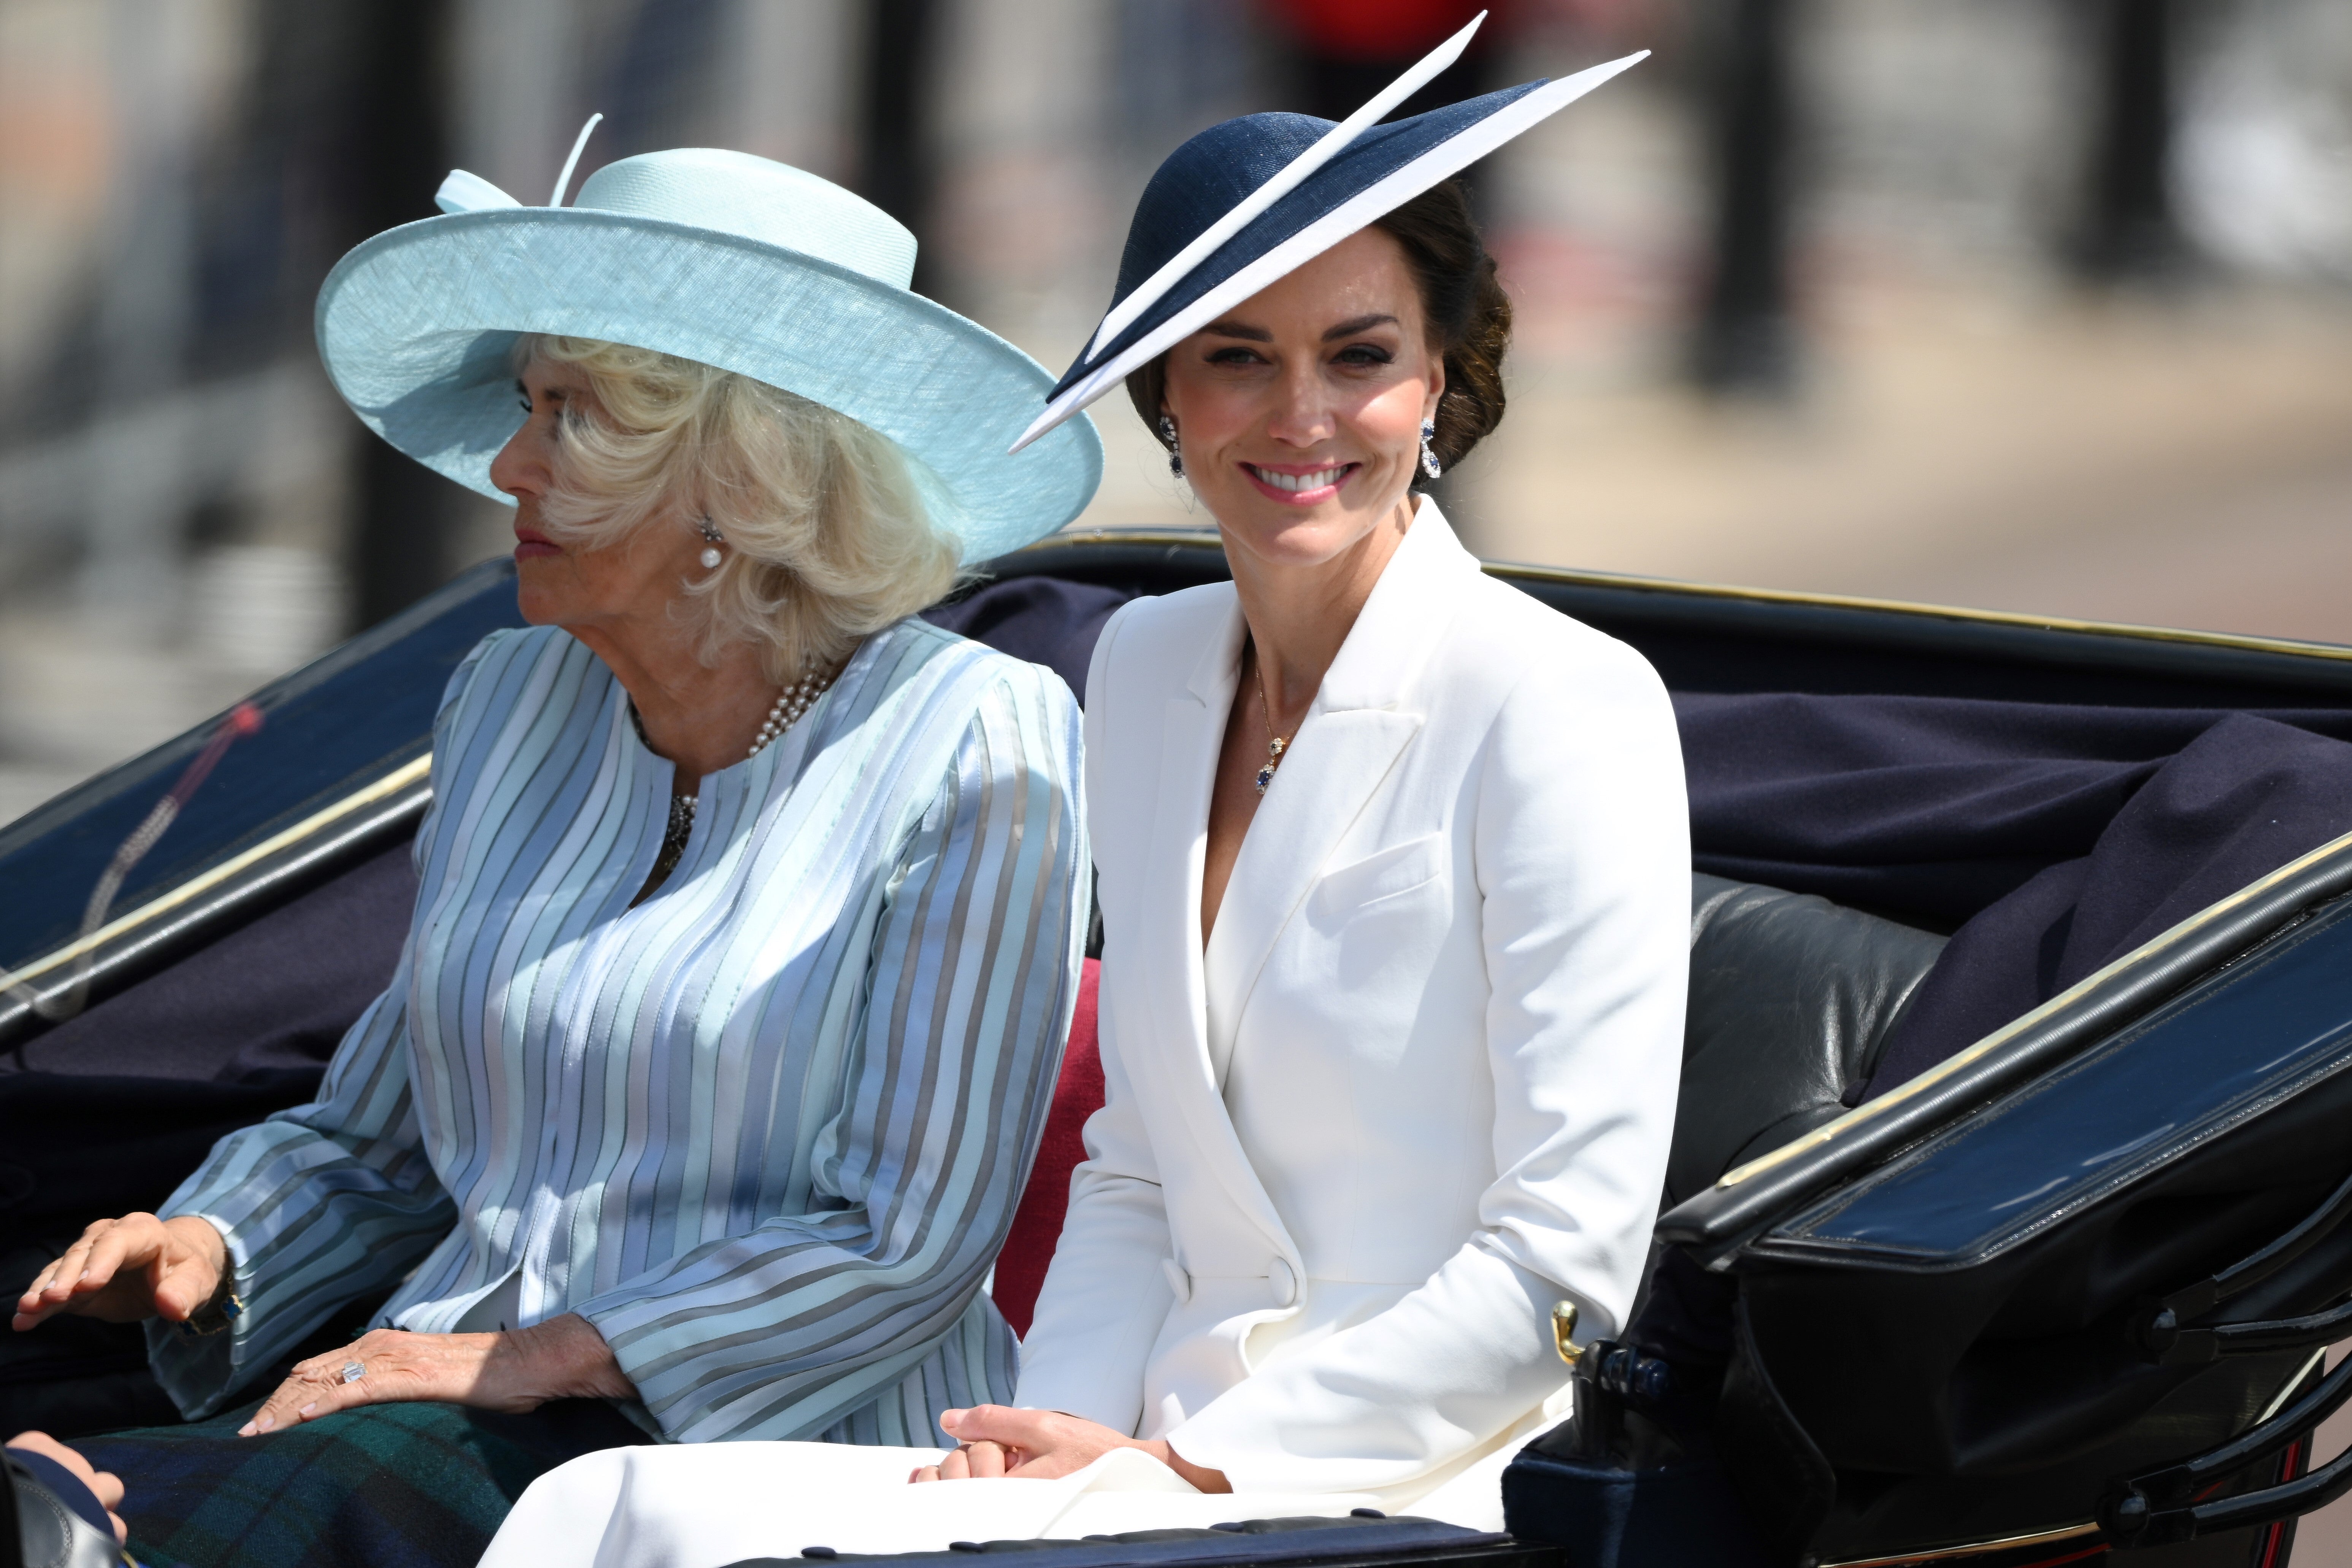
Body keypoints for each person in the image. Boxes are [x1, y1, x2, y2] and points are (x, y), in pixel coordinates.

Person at [481, 24, 1685, 1565]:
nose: (1300, 415)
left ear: (1438, 380)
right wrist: (1031, 1458)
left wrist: (1178, 1467)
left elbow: (1561, 1265)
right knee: (595, 1504)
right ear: (1164, 397)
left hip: (1409, 1485)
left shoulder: (1561, 702)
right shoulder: (1144, 663)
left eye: (1359, 354)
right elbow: (1134, 1161)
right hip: (1119, 1470)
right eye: (1236, 355)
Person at [10, 145, 1100, 1567]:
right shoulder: (512, 699)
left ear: (735, 479)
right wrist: (209, 1246)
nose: (509, 464)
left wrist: (551, 1355)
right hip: (447, 1391)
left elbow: (908, 1237)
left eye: (569, 419)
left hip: (775, 1443)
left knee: (165, 1521)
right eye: (528, 407)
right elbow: (378, 1138)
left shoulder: (977, 732)